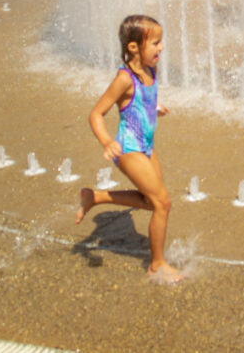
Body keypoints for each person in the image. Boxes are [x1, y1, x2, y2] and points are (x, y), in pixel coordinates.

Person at [75, 15, 183, 284]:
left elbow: (140, 102)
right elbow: (96, 114)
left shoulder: (150, 71)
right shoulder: (124, 79)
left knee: (150, 201)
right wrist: (107, 142)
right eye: (156, 43)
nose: (162, 48)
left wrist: (154, 108)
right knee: (162, 203)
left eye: (161, 41)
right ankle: (156, 265)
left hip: (147, 147)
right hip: (128, 148)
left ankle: (96, 197)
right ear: (134, 47)